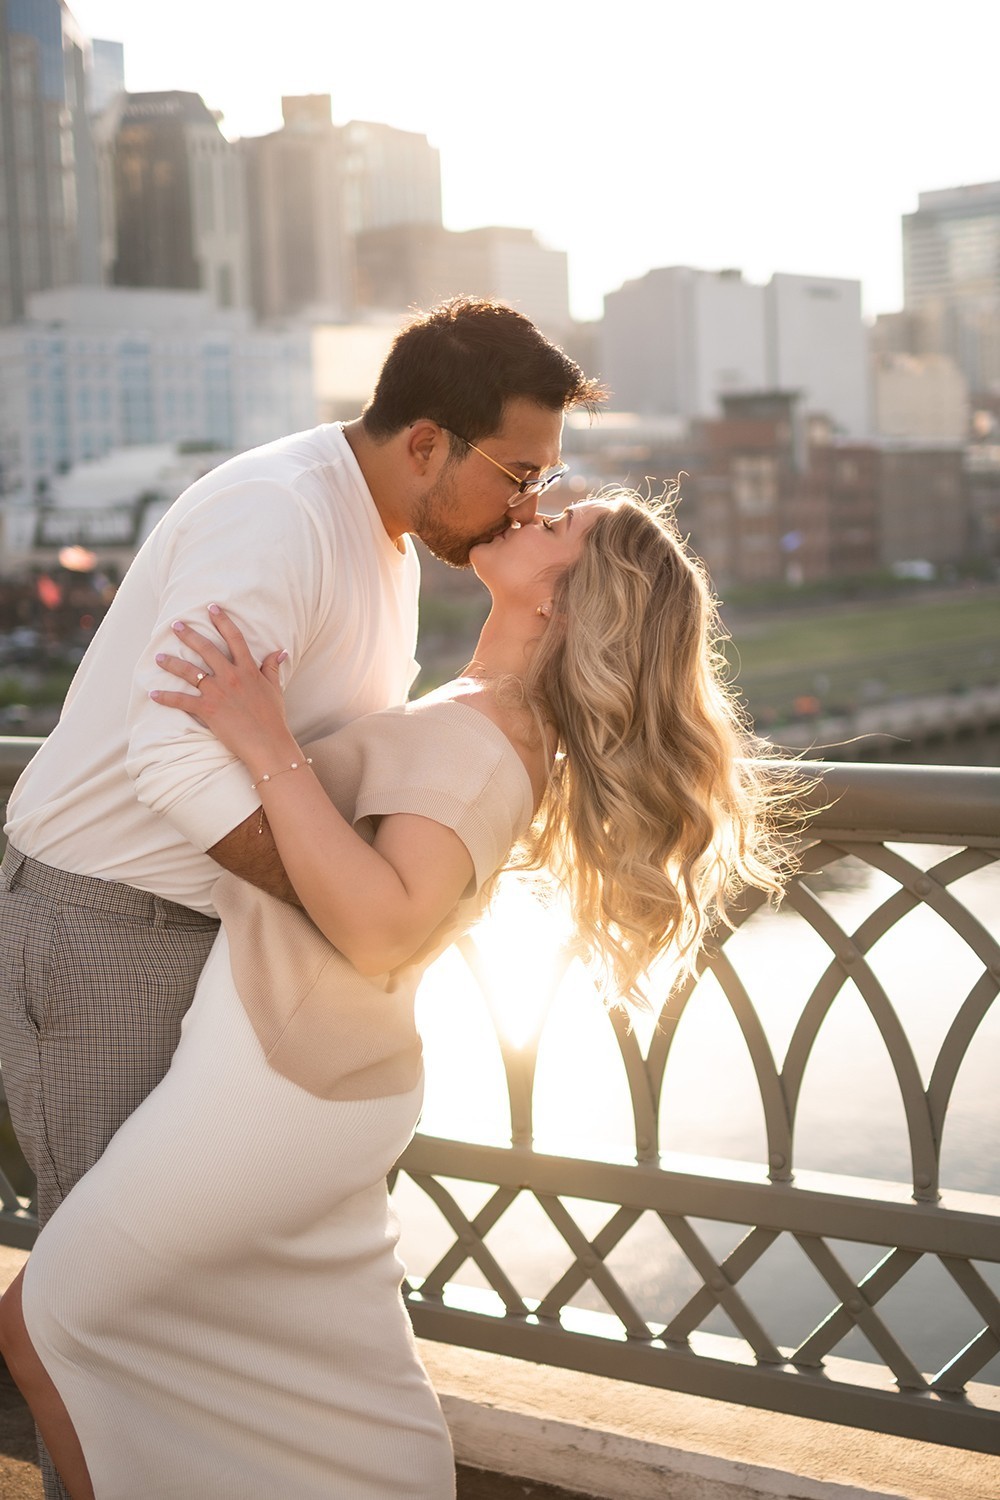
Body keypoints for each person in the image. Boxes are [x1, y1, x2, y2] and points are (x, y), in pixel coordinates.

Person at [0, 490, 799, 1499]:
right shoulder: (492, 713)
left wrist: (262, 740)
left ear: (564, 600)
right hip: (315, 1075)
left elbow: (381, 927)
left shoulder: (482, 733)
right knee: (334, 1378)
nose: (533, 510)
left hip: (276, 1088)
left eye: (559, 526)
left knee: (50, 1325)